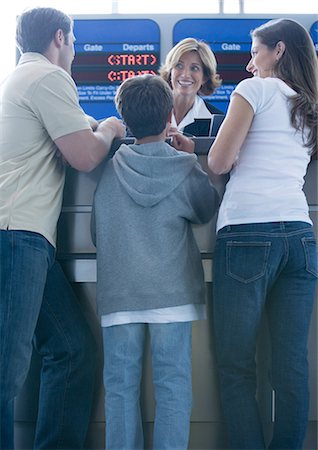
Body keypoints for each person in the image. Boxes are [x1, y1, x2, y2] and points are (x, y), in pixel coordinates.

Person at [0, 7, 125, 450]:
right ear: (60, 37)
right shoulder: (49, 78)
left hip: (29, 240)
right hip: (17, 236)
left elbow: (69, 132)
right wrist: (110, 126)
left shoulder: (20, 80)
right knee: (6, 371)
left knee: (71, 349)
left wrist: (92, 126)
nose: (73, 51)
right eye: (72, 42)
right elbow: (87, 156)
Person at [91, 74, 219, 450]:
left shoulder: (109, 169)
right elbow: (204, 210)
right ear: (169, 116)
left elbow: (98, 232)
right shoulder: (182, 167)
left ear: (123, 117)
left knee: (120, 388)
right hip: (173, 293)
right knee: (173, 386)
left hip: (120, 295)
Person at [207, 18, 318, 450]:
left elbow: (218, 162)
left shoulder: (252, 90)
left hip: (247, 234)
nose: (250, 65)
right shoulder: (308, 103)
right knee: (290, 365)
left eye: (255, 53)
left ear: (279, 51)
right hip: (301, 238)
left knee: (237, 366)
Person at [159, 37, 223, 137]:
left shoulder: (217, 121)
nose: (185, 75)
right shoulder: (148, 111)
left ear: (205, 77)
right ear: (170, 71)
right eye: (179, 66)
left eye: (194, 68)